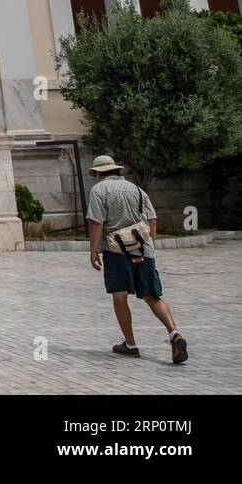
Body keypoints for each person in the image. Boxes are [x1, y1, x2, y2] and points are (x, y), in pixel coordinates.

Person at [87, 155, 188, 364]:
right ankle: (174, 333)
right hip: (144, 249)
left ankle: (131, 345)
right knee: (153, 296)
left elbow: (96, 222)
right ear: (116, 171)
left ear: (98, 173)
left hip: (116, 251)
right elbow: (152, 221)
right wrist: (148, 244)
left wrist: (93, 250)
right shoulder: (137, 189)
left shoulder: (98, 191)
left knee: (119, 295)